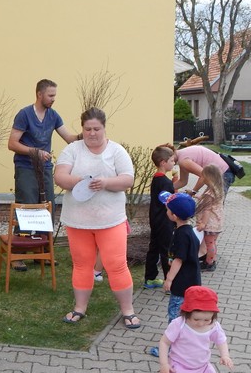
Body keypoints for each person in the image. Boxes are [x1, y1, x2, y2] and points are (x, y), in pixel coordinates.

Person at [54, 107, 140, 329]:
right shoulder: (72, 149)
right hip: (78, 221)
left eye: (96, 129)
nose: (92, 133)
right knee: (82, 264)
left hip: (110, 221)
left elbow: (128, 179)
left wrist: (105, 183)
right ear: (82, 129)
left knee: (116, 264)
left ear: (104, 128)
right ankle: (79, 308)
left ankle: (128, 310)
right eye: (87, 129)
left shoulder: (117, 151)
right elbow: (60, 177)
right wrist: (80, 181)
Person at [7, 79, 77, 271]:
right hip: (26, 167)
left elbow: (69, 138)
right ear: (39, 94)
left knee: (47, 207)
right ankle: (18, 255)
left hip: (45, 168)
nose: (54, 99)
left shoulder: (53, 115)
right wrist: (35, 152)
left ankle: (42, 252)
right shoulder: (24, 114)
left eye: (55, 95)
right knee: (27, 206)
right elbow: (12, 143)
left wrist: (86, 133)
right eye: (50, 95)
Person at [161, 192, 201, 323]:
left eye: (168, 209)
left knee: (175, 313)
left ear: (174, 216)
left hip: (182, 284)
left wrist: (169, 279)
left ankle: (173, 336)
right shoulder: (188, 231)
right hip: (191, 280)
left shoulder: (182, 235)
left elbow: (178, 260)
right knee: (185, 313)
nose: (166, 211)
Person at [143, 144, 176, 289]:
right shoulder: (165, 182)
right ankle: (170, 283)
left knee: (154, 248)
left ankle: (150, 279)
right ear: (163, 162)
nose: (174, 163)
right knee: (167, 251)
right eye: (172, 161)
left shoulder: (157, 179)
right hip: (165, 221)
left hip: (155, 219)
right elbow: (169, 202)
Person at [194, 164, 225, 273]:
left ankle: (209, 263)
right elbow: (207, 201)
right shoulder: (217, 190)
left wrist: (203, 223)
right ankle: (212, 260)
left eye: (203, 176)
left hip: (210, 223)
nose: (202, 178)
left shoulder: (209, 193)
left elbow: (207, 209)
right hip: (217, 222)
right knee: (213, 242)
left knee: (209, 243)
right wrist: (195, 195)